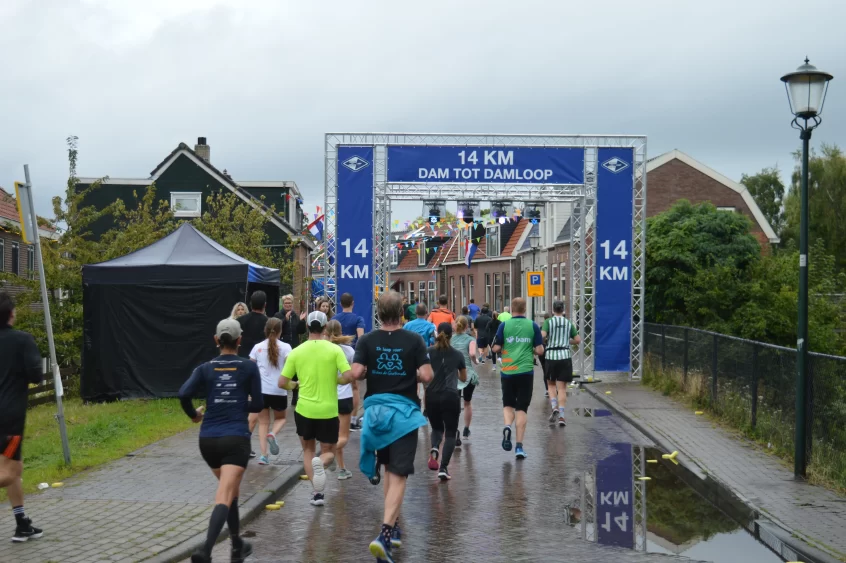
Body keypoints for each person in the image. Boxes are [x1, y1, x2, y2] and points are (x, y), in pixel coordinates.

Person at [351, 291, 433, 563]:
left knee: (388, 469)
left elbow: (356, 372)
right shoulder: (414, 340)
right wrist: (415, 373)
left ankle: (394, 524)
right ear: (401, 313)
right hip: (403, 415)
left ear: (378, 314)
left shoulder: (367, 340)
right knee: (398, 474)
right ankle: (384, 534)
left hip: (375, 415)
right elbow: (427, 375)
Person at [178, 318, 264, 563]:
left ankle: (237, 545)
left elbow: (183, 394)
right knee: (225, 495)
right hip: (235, 440)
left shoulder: (205, 368)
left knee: (231, 492)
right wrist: (239, 405)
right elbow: (258, 404)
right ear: (240, 340)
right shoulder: (248, 367)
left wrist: (194, 415)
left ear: (216, 340)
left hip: (208, 441)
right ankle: (205, 551)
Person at [280, 311, 352, 507]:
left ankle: (317, 493)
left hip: (304, 410)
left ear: (307, 328)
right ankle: (322, 462)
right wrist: (336, 380)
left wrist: (294, 385)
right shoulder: (334, 350)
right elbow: (349, 376)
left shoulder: (297, 351)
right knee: (328, 451)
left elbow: (282, 382)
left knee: (308, 450)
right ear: (325, 328)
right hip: (328, 410)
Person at [0, 292, 44, 543]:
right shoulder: (22, 340)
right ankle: (21, 524)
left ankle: (21, 523)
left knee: (12, 468)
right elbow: (36, 375)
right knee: (10, 471)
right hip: (9, 417)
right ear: (11, 314)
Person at [492, 298, 544, 460]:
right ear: (524, 309)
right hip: (525, 371)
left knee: (508, 404)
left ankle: (507, 426)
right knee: (522, 408)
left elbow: (495, 347)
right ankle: (519, 447)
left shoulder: (504, 325)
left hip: (508, 371)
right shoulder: (533, 326)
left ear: (512, 309)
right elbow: (540, 350)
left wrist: (505, 346)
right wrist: (529, 349)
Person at [425, 323, 466, 481]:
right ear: (452, 335)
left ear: (437, 334)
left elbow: (422, 374)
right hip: (450, 396)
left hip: (432, 395)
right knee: (450, 433)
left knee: (436, 428)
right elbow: (463, 378)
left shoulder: (428, 352)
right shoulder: (457, 355)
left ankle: (435, 447)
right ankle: (443, 468)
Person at [248, 318, 292, 465]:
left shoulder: (257, 347)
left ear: (265, 330)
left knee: (263, 423)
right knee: (281, 419)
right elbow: (291, 366)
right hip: (279, 390)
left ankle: (263, 456)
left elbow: (251, 368)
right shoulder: (286, 347)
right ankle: (272, 434)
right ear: (280, 331)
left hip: (262, 391)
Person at [325, 320, 357, 480]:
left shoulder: (323, 350)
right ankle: (326, 456)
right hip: (344, 396)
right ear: (341, 330)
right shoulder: (349, 351)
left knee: (334, 435)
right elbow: (352, 377)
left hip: (327, 397)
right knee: (343, 437)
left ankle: (342, 469)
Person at [542, 301, 581, 426]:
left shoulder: (548, 322)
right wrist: (566, 341)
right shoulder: (568, 323)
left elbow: (542, 336)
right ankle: (562, 416)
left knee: (551, 385)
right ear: (563, 310)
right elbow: (578, 340)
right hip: (565, 357)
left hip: (551, 357)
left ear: (553, 310)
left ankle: (554, 407)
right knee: (562, 388)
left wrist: (547, 340)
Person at [275, 294, 307, 407]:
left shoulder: (295, 316)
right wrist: (285, 320)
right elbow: (276, 329)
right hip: (282, 347)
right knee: (281, 370)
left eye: (290, 303)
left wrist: (302, 321)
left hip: (294, 346)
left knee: (295, 372)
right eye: (286, 303)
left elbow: (301, 331)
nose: (288, 305)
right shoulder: (278, 315)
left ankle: (295, 396)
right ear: (283, 304)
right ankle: (278, 395)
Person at [451, 316, 479, 445]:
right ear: (467, 326)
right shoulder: (470, 339)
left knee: (454, 404)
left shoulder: (450, 339)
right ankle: (466, 430)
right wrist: (476, 361)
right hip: (468, 374)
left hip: (454, 375)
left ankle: (454, 429)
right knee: (467, 402)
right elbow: (472, 354)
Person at [236, 291, 269, 359]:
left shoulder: (239, 321)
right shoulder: (268, 323)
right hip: (261, 358)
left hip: (243, 358)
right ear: (265, 305)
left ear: (250, 304)